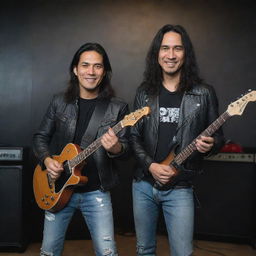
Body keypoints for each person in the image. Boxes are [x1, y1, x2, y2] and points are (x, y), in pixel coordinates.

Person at [130, 24, 224, 256]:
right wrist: (150, 165)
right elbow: (133, 136)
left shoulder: (204, 93)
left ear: (186, 54)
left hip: (180, 185)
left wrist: (211, 145)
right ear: (157, 54)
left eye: (177, 49)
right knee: (144, 250)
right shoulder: (144, 92)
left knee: (182, 252)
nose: (171, 55)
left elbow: (218, 138)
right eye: (165, 48)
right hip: (143, 184)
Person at [32, 42, 130, 256]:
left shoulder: (117, 107)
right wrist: (48, 161)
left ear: (104, 72)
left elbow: (127, 151)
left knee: (107, 253)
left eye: (98, 66)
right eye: (85, 65)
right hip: (57, 189)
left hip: (97, 192)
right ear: (75, 70)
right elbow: (40, 138)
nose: (91, 72)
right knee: (48, 252)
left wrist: (116, 148)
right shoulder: (59, 102)